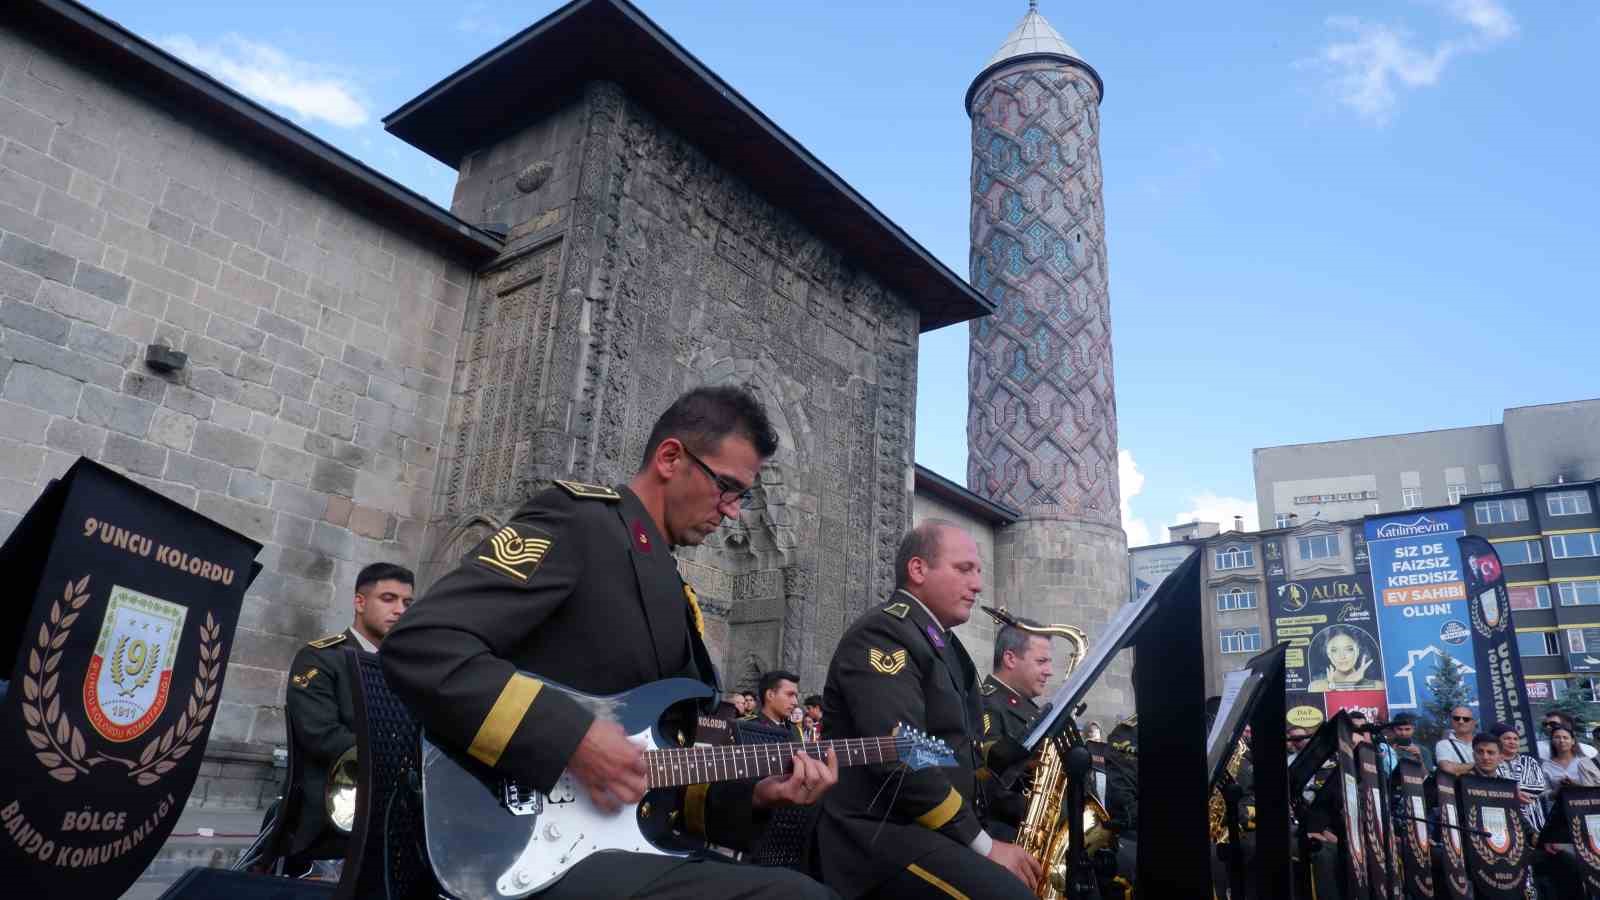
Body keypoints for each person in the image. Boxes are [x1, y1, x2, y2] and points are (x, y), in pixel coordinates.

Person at [380, 386, 837, 899]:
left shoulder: (671, 586)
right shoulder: (580, 523)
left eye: (743, 497)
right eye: (726, 487)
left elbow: (658, 776)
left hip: (621, 849)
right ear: (670, 458)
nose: (733, 512)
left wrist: (757, 796)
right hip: (524, 848)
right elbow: (423, 644)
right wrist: (572, 738)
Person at [818, 520, 1041, 899]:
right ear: (918, 569)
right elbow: (904, 757)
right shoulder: (884, 633)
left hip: (933, 830)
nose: (977, 584)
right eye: (964, 569)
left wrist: (1015, 763)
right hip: (880, 838)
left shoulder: (945, 645)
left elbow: (959, 750)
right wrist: (986, 846)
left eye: (979, 571)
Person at [282, 562, 414, 876]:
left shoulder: (407, 666)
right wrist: (400, 757)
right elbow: (320, 735)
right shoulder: (321, 658)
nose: (400, 610)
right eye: (388, 599)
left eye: (407, 602)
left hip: (395, 816)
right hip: (331, 817)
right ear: (359, 602)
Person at [1493, 724, 1548, 836]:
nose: (1512, 742)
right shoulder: (1492, 762)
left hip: (1533, 818)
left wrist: (1511, 791)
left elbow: (1541, 786)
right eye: (1507, 738)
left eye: (1515, 739)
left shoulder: (1529, 761)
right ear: (1497, 741)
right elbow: (1492, 787)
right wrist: (1514, 792)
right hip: (1504, 819)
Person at [1306, 625, 1382, 692]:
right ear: (1328, 654)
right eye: (1334, 650)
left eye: (1349, 649)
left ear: (1357, 651)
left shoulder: (1377, 686)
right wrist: (1336, 687)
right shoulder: (1316, 687)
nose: (1342, 656)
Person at [1541, 723, 1600, 790]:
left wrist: (1574, 785)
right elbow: (1544, 792)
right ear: (1552, 741)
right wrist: (1557, 791)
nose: (1561, 741)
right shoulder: (1546, 766)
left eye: (1565, 738)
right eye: (1557, 737)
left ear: (1573, 741)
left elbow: (1591, 789)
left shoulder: (1586, 762)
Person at [750, 669, 803, 739]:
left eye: (796, 696)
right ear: (770, 695)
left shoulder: (794, 730)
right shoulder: (748, 728)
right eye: (790, 695)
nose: (795, 702)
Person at [1436, 706, 1478, 775]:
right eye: (1457, 718)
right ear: (1452, 721)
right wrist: (1480, 764)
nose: (1461, 721)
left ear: (1473, 723)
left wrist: (1459, 768)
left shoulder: (1482, 742)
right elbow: (1447, 768)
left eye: (1466, 719)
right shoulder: (1443, 744)